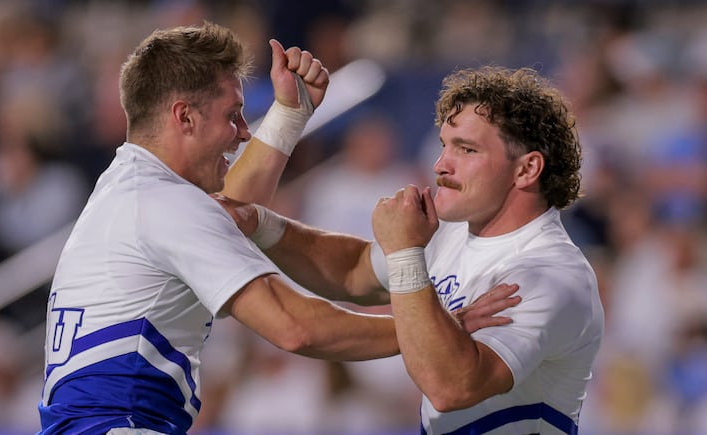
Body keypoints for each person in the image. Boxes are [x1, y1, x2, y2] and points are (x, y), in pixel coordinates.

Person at [38, 22, 516, 435]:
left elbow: (227, 213)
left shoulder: (130, 186)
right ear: (184, 116)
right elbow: (295, 328)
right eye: (232, 115)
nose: (244, 131)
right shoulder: (165, 203)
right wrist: (431, 330)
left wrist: (290, 115)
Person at [221, 66, 604, 434]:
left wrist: (405, 252)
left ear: (527, 169)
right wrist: (261, 224)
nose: (440, 165)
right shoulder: (452, 235)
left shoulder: (550, 274)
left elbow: (452, 387)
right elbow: (353, 271)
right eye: (444, 146)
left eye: (466, 149)